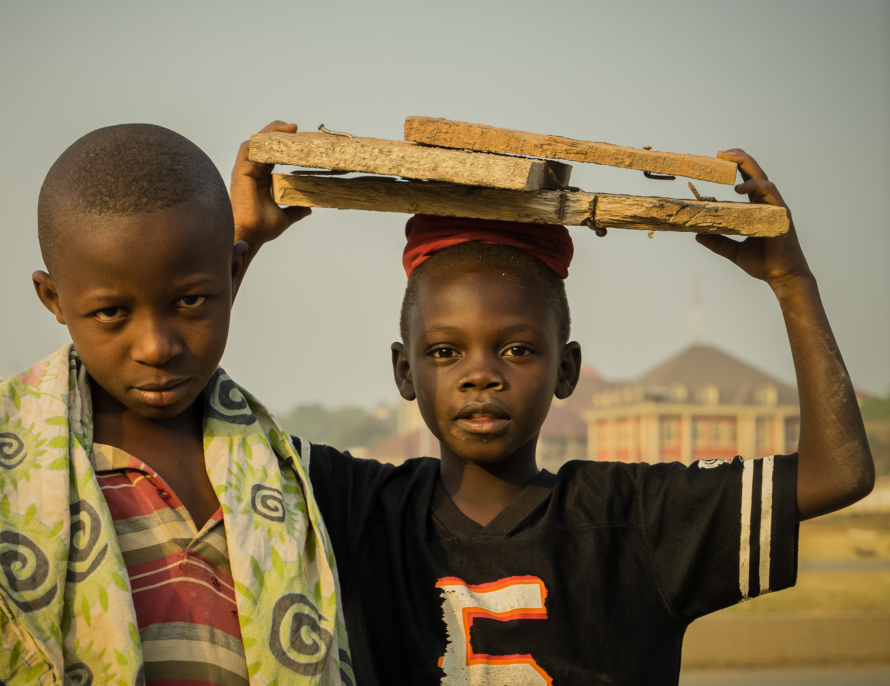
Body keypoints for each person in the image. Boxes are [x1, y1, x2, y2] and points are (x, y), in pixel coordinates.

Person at [232, 142, 875, 685]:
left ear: (566, 369)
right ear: (406, 371)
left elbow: (836, 475)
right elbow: (192, 420)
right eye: (445, 351)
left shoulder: (634, 520)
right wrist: (241, 239)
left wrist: (794, 284)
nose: (480, 373)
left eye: (515, 349)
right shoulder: (353, 509)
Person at [0, 123, 354, 686]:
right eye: (111, 314)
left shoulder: (286, 476)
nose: (156, 347)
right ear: (53, 299)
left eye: (190, 300)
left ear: (235, 272)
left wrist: (238, 235)